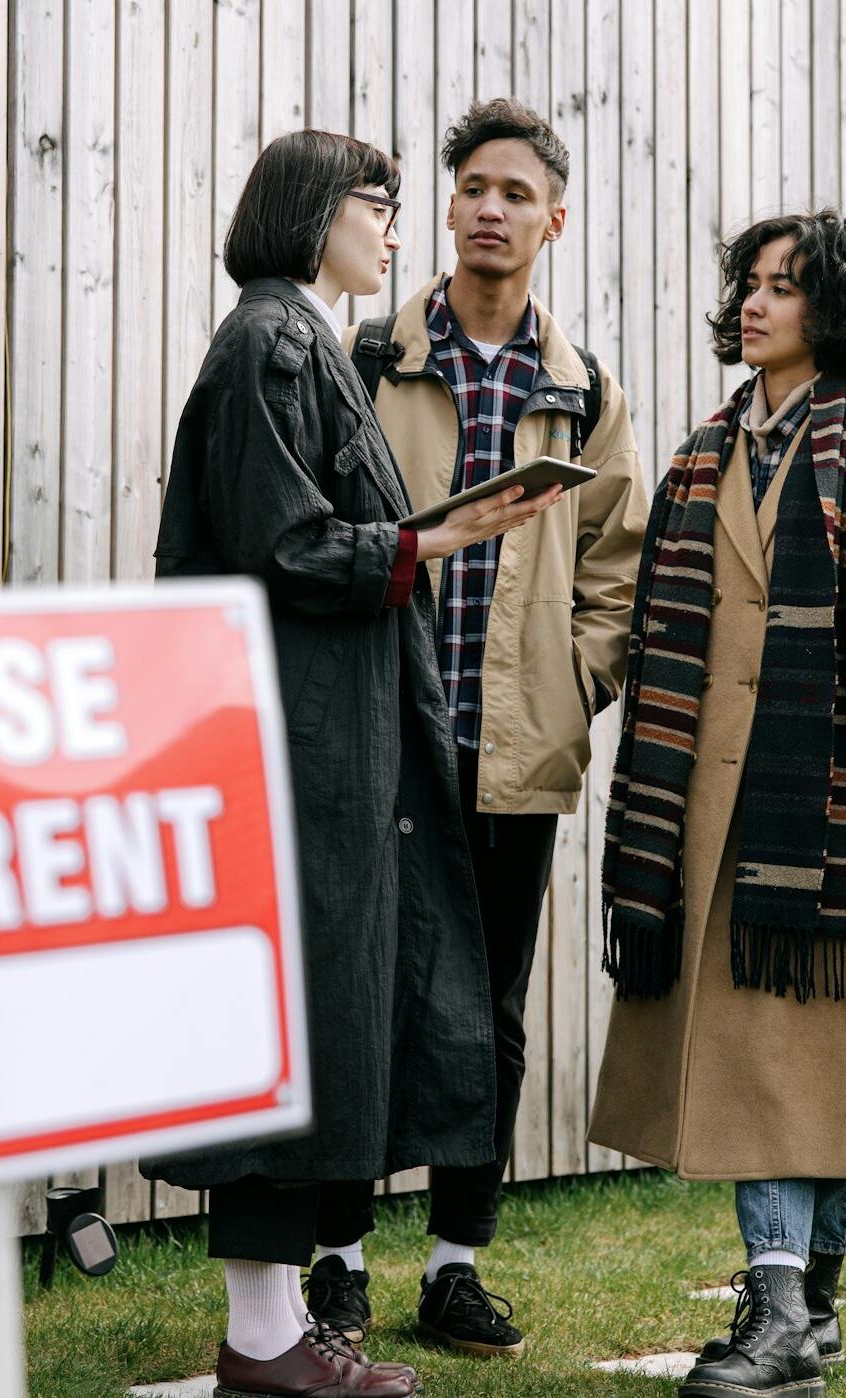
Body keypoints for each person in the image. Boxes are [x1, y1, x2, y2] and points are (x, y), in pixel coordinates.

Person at [140, 128, 564, 1398]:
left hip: (318, 739)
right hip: (298, 744)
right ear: (318, 211)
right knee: (288, 1023)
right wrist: (432, 543)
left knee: (305, 1025)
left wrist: (435, 532)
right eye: (378, 206)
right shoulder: (275, 339)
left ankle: (271, 1336)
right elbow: (288, 546)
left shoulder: (296, 339)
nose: (396, 228)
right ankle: (264, 1344)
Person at [303, 98, 648, 1359]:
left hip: (513, 756)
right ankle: (334, 1260)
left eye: (517, 192)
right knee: (357, 999)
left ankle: (455, 1266)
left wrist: (576, 678)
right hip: (381, 743)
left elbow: (618, 564)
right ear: (449, 210)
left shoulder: (586, 388)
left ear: (554, 219)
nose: (490, 208)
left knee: (487, 1013)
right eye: (473, 188)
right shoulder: (361, 359)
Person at [590, 209, 846, 1398]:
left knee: (835, 1062)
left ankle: (804, 1313)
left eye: (787, 287)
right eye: (750, 285)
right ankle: (781, 1309)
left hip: (841, 802)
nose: (758, 304)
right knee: (762, 1058)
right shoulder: (704, 451)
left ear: (838, 309)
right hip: (710, 805)